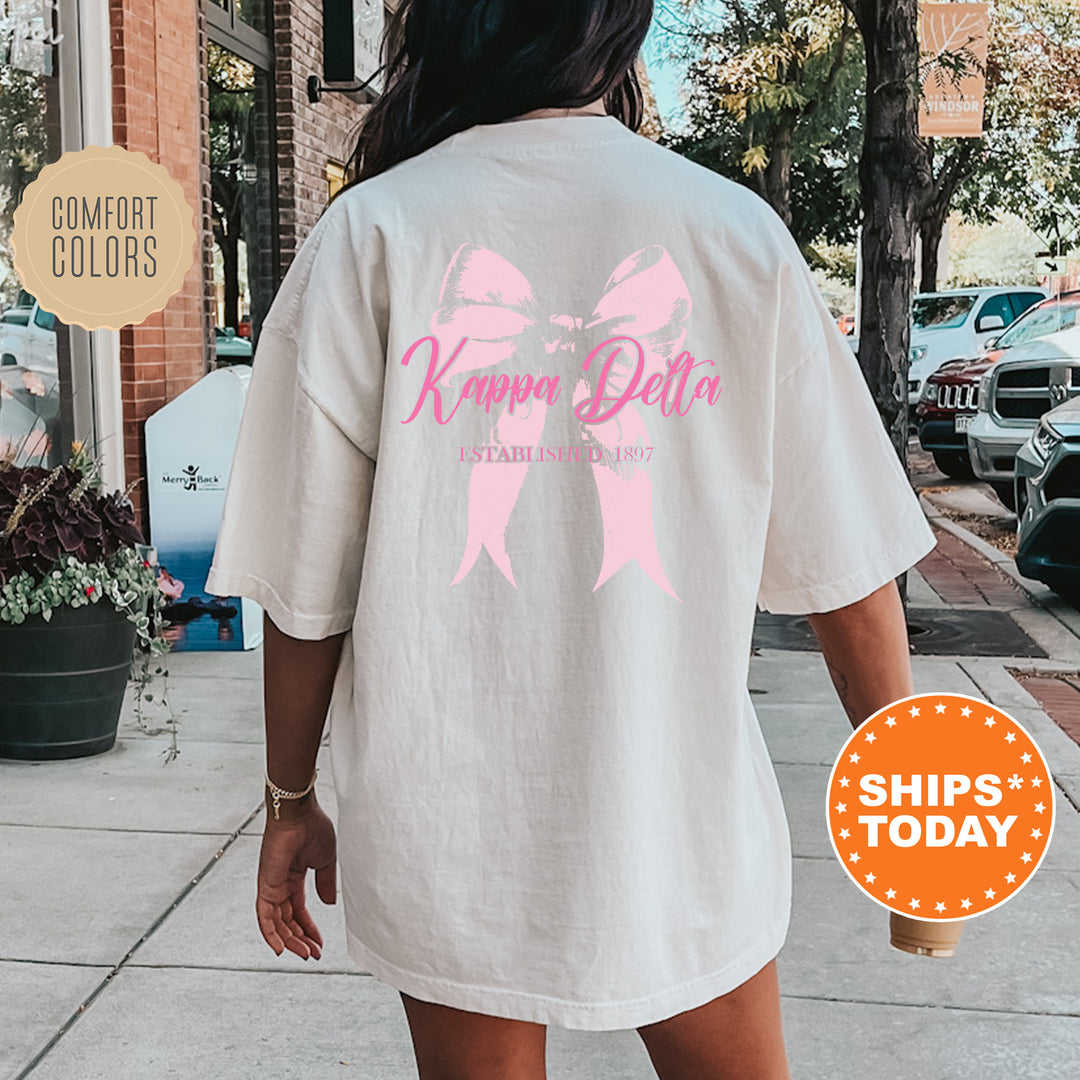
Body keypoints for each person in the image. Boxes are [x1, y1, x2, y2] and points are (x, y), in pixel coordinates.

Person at [205, 2, 937, 1076]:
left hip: (451, 823)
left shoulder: (371, 236)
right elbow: (849, 572)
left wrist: (289, 799)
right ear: (620, 26)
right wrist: (913, 817)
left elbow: (307, 589)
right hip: (679, 820)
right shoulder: (734, 236)